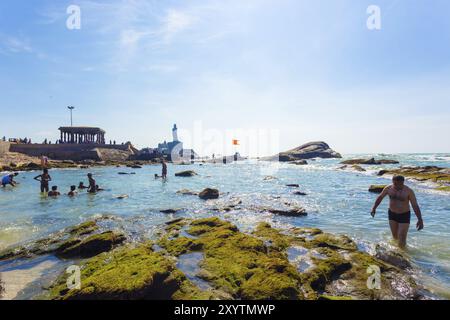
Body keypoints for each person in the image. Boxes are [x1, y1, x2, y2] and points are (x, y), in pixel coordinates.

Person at [371, 175, 424, 248]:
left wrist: (420, 219)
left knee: (402, 237)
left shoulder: (408, 191)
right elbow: (380, 197)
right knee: (395, 237)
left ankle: (404, 254)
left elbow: (415, 205)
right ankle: (397, 251)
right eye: (395, 184)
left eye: (400, 184)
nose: (398, 186)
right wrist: (374, 208)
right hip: (392, 214)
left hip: (404, 215)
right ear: (392, 182)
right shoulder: (388, 188)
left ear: (403, 182)